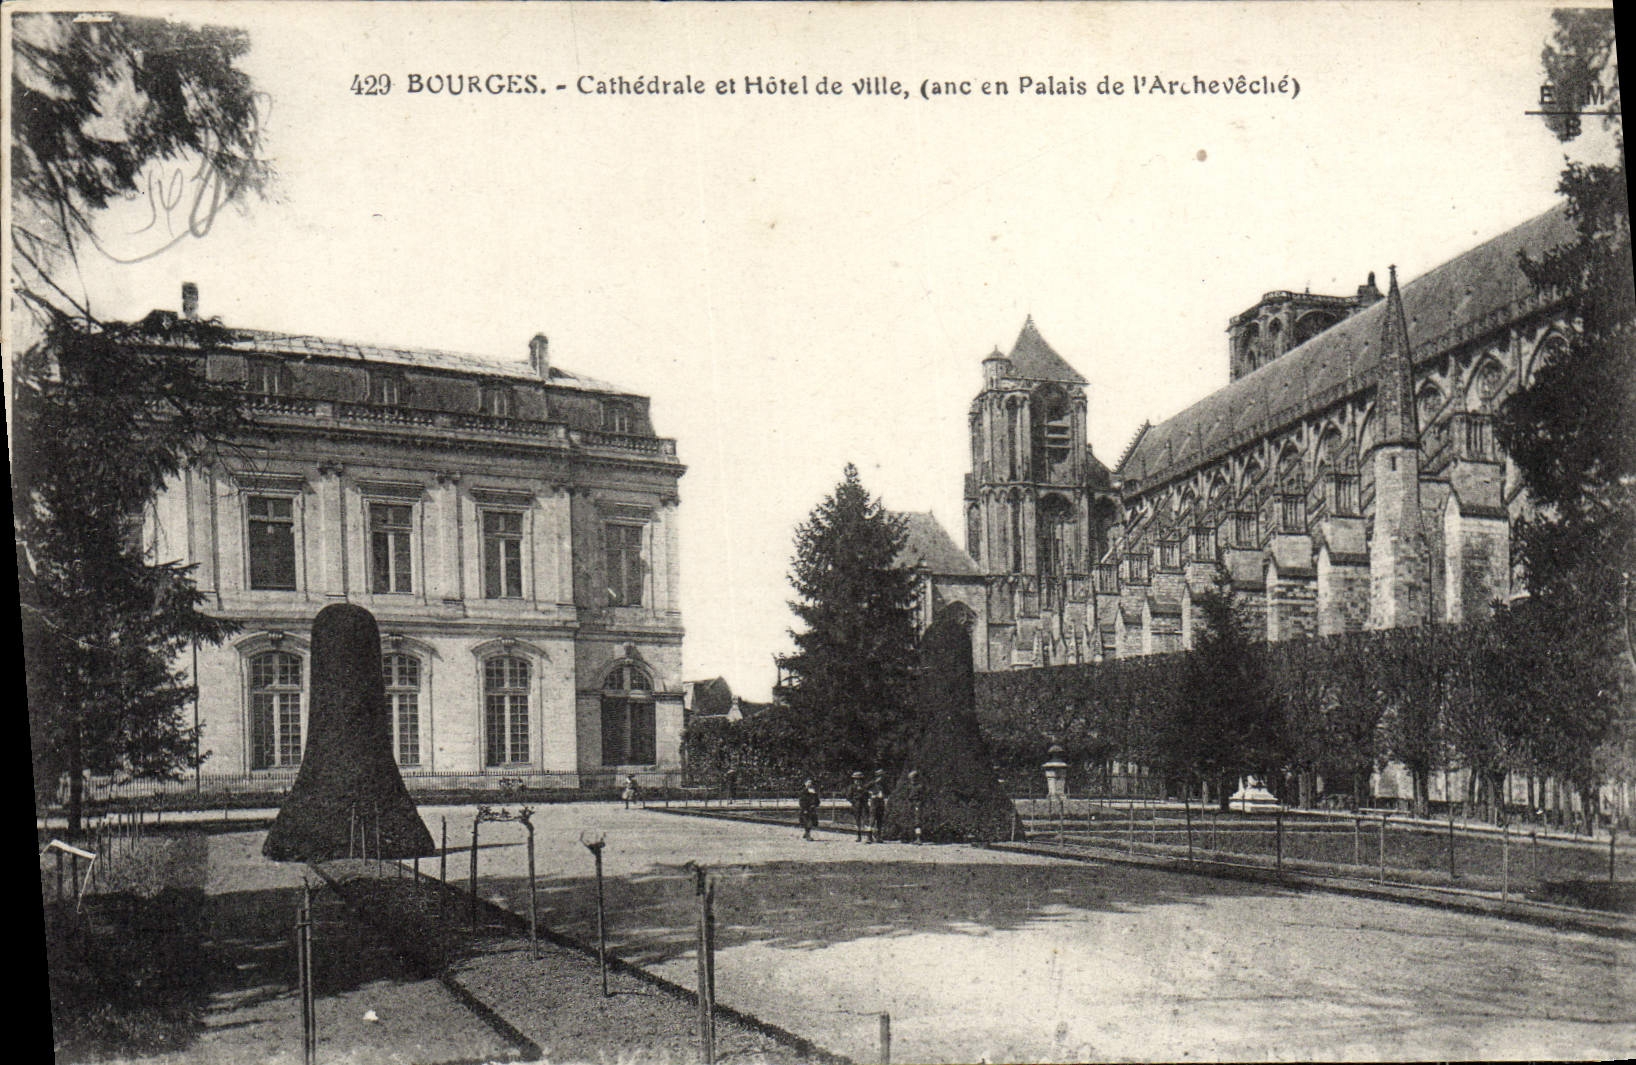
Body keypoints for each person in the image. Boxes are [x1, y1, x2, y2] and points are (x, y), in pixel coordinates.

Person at [846, 771, 869, 842]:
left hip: (864, 804)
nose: (857, 781)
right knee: (857, 820)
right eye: (856, 779)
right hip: (856, 805)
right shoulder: (851, 787)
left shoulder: (864, 787)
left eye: (859, 779)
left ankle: (868, 836)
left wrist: (864, 798)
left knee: (866, 819)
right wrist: (854, 801)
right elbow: (848, 796)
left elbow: (867, 795)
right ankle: (859, 836)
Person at [904, 768, 925, 844]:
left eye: (913, 778)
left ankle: (918, 838)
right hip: (911, 803)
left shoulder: (920, 786)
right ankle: (911, 837)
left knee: (917, 821)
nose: (911, 780)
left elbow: (922, 796)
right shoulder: (909, 787)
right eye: (910, 778)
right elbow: (907, 795)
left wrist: (918, 803)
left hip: (917, 803)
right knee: (911, 820)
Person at [867, 769, 887, 843]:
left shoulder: (883, 785)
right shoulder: (872, 783)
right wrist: (872, 794)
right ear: (877, 776)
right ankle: (869, 837)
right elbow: (864, 790)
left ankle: (879, 837)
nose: (881, 778)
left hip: (881, 803)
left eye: (882, 776)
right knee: (872, 819)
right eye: (880, 776)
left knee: (880, 820)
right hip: (874, 802)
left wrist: (884, 796)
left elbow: (888, 792)